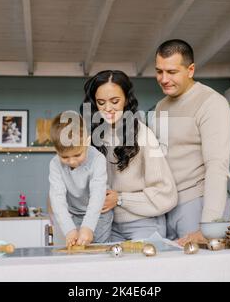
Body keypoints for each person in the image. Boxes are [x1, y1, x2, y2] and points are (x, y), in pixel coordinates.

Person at [153, 39, 230, 246]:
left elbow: (217, 166)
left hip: (199, 206)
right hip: (167, 208)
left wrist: (210, 227)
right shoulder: (160, 107)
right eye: (159, 71)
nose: (163, 79)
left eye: (171, 72)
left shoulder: (211, 103)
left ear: (190, 70)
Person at [82, 70, 178, 241]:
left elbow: (166, 194)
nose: (108, 109)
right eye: (101, 102)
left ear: (126, 99)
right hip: (107, 224)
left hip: (144, 223)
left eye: (115, 101)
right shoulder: (92, 140)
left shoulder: (144, 135)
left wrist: (120, 199)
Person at [48, 110, 113, 247]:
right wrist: (69, 230)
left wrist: (88, 227)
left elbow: (97, 195)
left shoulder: (97, 159)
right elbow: (57, 199)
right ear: (56, 150)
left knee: (99, 253)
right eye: (65, 157)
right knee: (74, 254)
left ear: (87, 142)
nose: (72, 161)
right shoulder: (54, 164)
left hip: (99, 214)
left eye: (77, 155)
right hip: (72, 216)